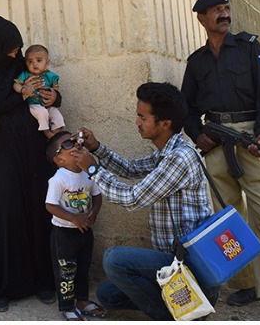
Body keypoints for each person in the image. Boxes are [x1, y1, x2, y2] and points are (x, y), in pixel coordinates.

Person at [180, 0, 260, 321]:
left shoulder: (249, 47)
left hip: (249, 138)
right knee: (226, 221)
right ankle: (245, 284)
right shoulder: (197, 62)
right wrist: (198, 135)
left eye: (226, 8)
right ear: (202, 19)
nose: (224, 14)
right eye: (216, 10)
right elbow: (186, 107)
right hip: (217, 144)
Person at [69, 82, 219, 321]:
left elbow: (132, 199)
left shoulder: (179, 158)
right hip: (173, 267)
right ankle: (179, 305)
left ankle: (182, 313)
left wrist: (93, 169)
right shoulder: (167, 152)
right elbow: (130, 169)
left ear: (164, 123)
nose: (137, 122)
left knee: (114, 259)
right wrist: (97, 148)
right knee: (108, 294)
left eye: (142, 117)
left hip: (191, 270)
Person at [0, 13, 58, 312]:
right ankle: (3, 286)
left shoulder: (18, 62)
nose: (17, 55)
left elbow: (37, 87)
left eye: (18, 49)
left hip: (32, 147)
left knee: (38, 206)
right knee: (7, 210)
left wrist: (54, 97)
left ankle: (43, 280)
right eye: (11, 49)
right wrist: (20, 97)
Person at [44, 131, 106, 321]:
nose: (75, 144)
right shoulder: (58, 179)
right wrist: (73, 218)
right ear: (59, 160)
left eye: (74, 140)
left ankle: (82, 300)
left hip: (85, 231)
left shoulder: (88, 173)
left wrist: (93, 213)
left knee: (83, 268)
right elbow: (50, 205)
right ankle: (67, 306)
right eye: (68, 145)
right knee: (66, 272)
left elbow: (97, 196)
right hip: (64, 234)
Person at [13, 44, 65, 138]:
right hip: (34, 104)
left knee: (58, 116)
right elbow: (16, 84)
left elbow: (55, 88)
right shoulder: (25, 75)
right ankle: (47, 133)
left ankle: (55, 134)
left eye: (39, 60)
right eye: (30, 61)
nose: (34, 64)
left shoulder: (50, 76)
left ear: (47, 62)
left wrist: (53, 95)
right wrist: (23, 90)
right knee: (42, 114)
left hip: (47, 104)